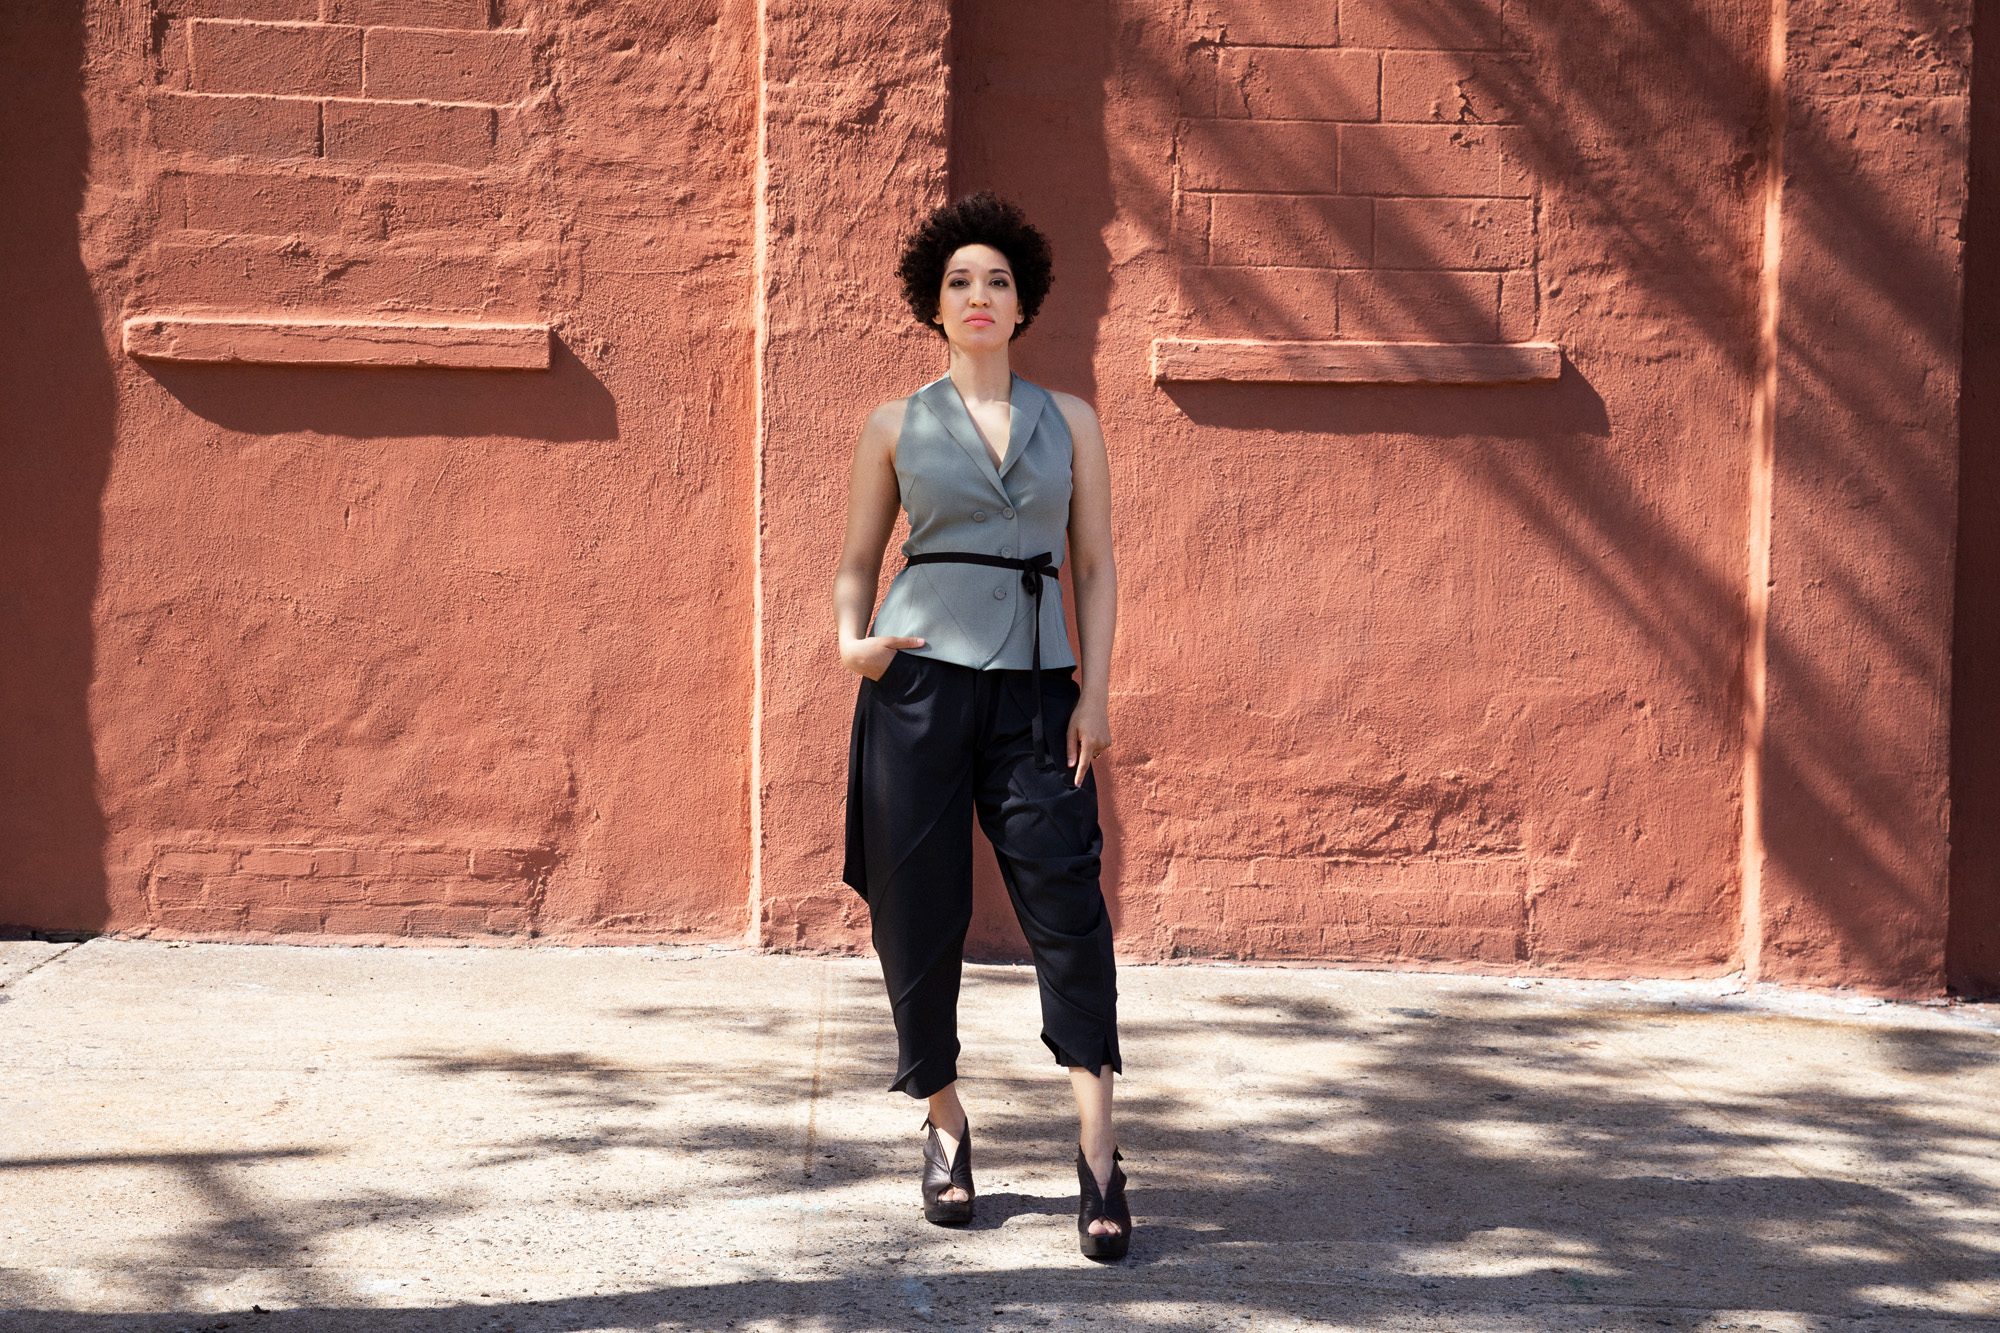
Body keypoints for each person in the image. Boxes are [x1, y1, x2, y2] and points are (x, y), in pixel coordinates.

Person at [832, 191, 1131, 1260]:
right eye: (958, 280)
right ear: (932, 301)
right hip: (913, 683)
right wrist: (848, 640)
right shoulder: (892, 424)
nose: (976, 295)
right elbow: (858, 561)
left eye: (995, 280)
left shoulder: (1073, 423)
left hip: (1039, 687)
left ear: (1022, 302)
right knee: (917, 908)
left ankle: (1097, 1151)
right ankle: (944, 1126)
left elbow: (1091, 563)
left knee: (1066, 899)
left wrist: (1095, 691)